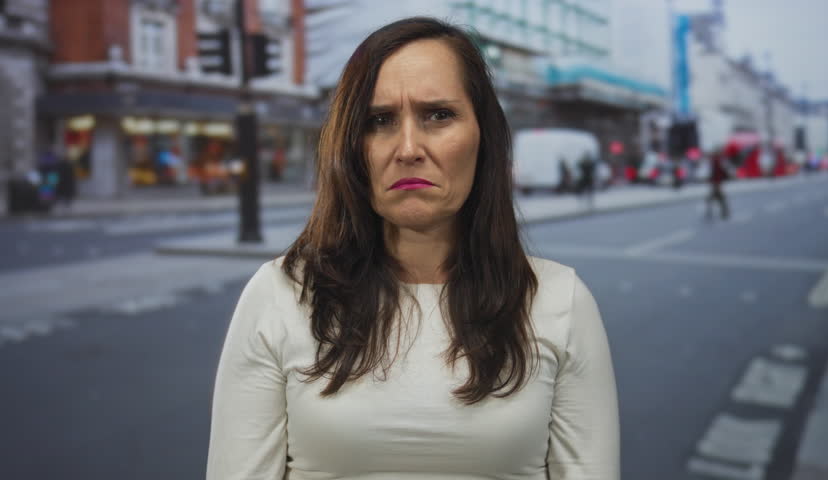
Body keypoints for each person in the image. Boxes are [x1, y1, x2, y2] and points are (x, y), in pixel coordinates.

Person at [207, 17, 619, 480]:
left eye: (438, 115)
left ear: (483, 137)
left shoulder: (560, 301)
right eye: (379, 121)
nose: (408, 148)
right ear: (351, 147)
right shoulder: (280, 295)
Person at [706, 149, 731, 219]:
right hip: (716, 182)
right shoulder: (717, 161)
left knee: (715, 198)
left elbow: (716, 172)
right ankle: (724, 212)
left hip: (716, 182)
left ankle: (722, 212)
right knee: (718, 198)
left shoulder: (716, 161)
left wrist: (713, 180)